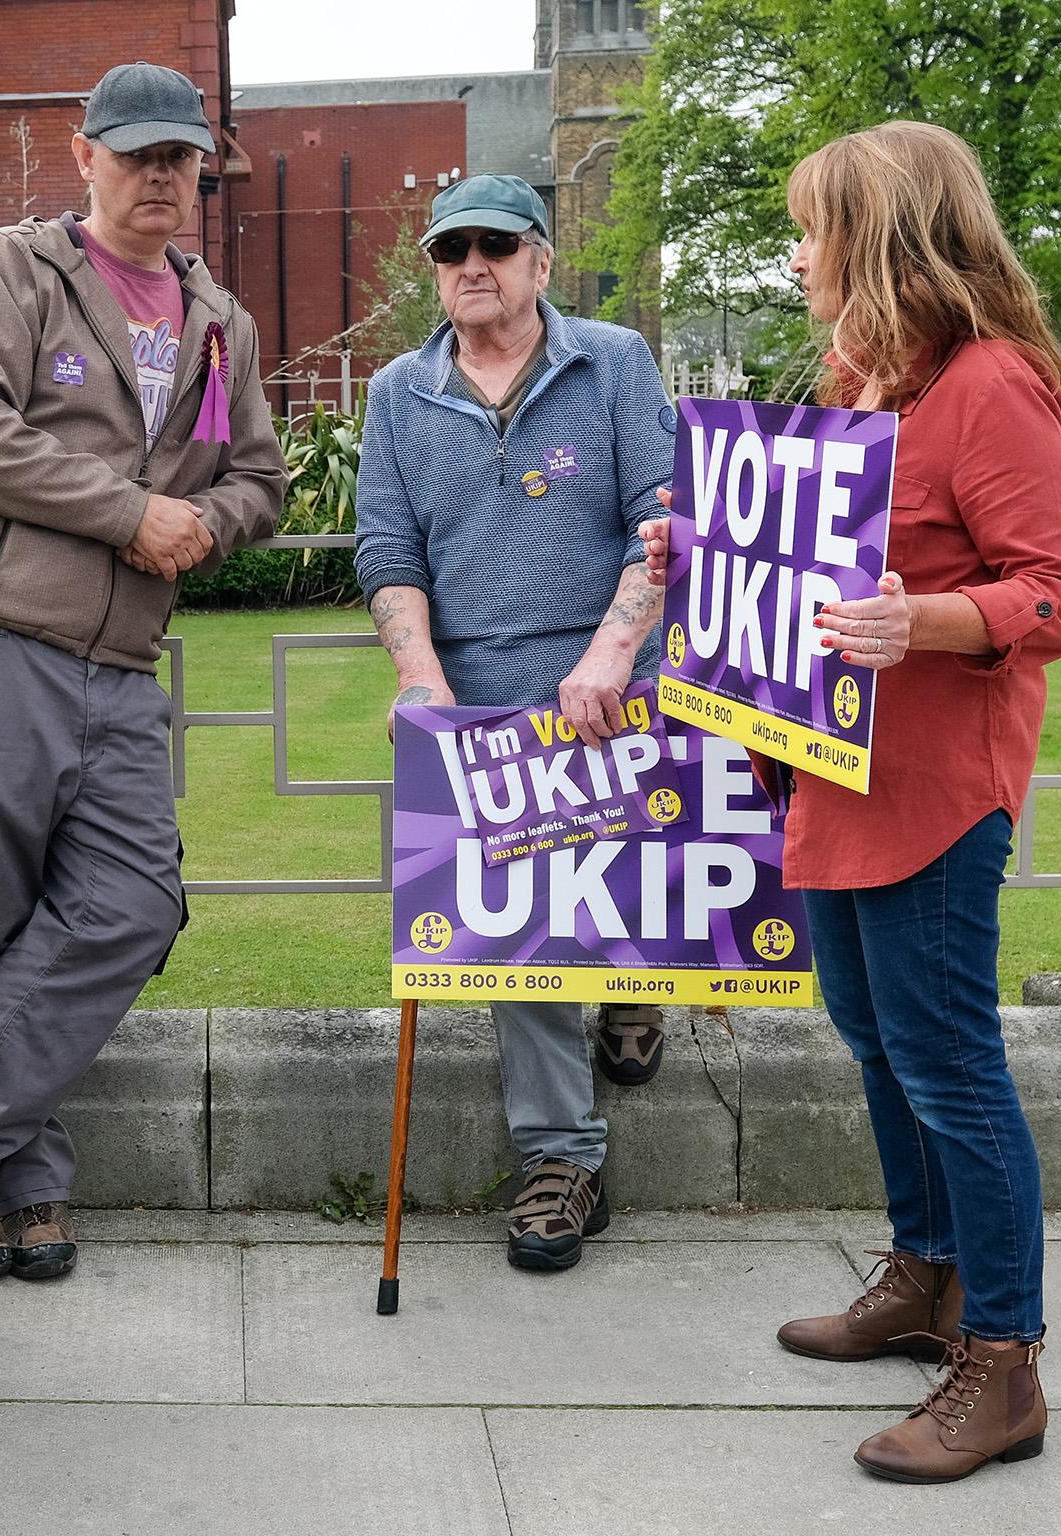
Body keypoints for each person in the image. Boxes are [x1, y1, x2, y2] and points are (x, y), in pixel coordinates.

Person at [642, 121, 1061, 1482]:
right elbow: (816, 552)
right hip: (833, 772)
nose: (797, 254)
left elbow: (1059, 592)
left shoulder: (991, 386)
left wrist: (937, 619)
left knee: (951, 1065)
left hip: (938, 790)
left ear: (881, 239)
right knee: (872, 1036)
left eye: (811, 228)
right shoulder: (867, 380)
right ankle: (927, 1273)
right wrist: (705, 540)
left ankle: (1002, 1363)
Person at [0, 60, 284, 1281]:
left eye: (180, 159)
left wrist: (207, 524)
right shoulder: (13, 266)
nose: (160, 176)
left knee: (127, 907)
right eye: (137, 153)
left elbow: (257, 476)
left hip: (120, 663)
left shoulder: (220, 321)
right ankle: (22, 1187)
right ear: (83, 153)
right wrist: (127, 515)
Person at [354, 173, 676, 1273]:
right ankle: (562, 1157)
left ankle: (635, 986)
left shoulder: (614, 362)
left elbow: (662, 524)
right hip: (479, 702)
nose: (470, 266)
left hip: (609, 674)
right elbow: (388, 553)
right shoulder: (398, 393)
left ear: (541, 259)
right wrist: (420, 678)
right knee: (523, 931)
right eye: (450, 251)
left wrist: (609, 652)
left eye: (494, 245)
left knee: (633, 884)